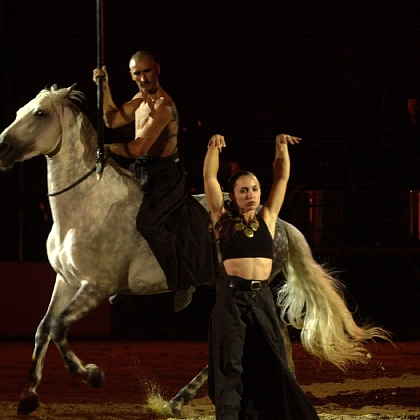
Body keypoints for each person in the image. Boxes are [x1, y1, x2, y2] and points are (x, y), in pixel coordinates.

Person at [203, 133, 319, 419]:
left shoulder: (267, 217)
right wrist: (213, 148)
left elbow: (281, 179)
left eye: (254, 189)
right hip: (233, 299)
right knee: (230, 364)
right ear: (233, 196)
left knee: (273, 360)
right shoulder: (222, 220)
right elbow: (209, 178)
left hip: (262, 298)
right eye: (243, 190)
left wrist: (280, 146)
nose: (250, 194)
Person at [93, 51, 217, 310]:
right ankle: (120, 280)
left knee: (147, 223)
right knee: (117, 214)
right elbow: (111, 119)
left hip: (164, 175)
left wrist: (107, 148)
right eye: (137, 73)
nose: (142, 78)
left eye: (146, 71)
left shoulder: (164, 107)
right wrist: (103, 87)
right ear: (131, 76)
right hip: (141, 169)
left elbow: (138, 148)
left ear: (157, 69)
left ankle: (182, 282)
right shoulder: (139, 100)